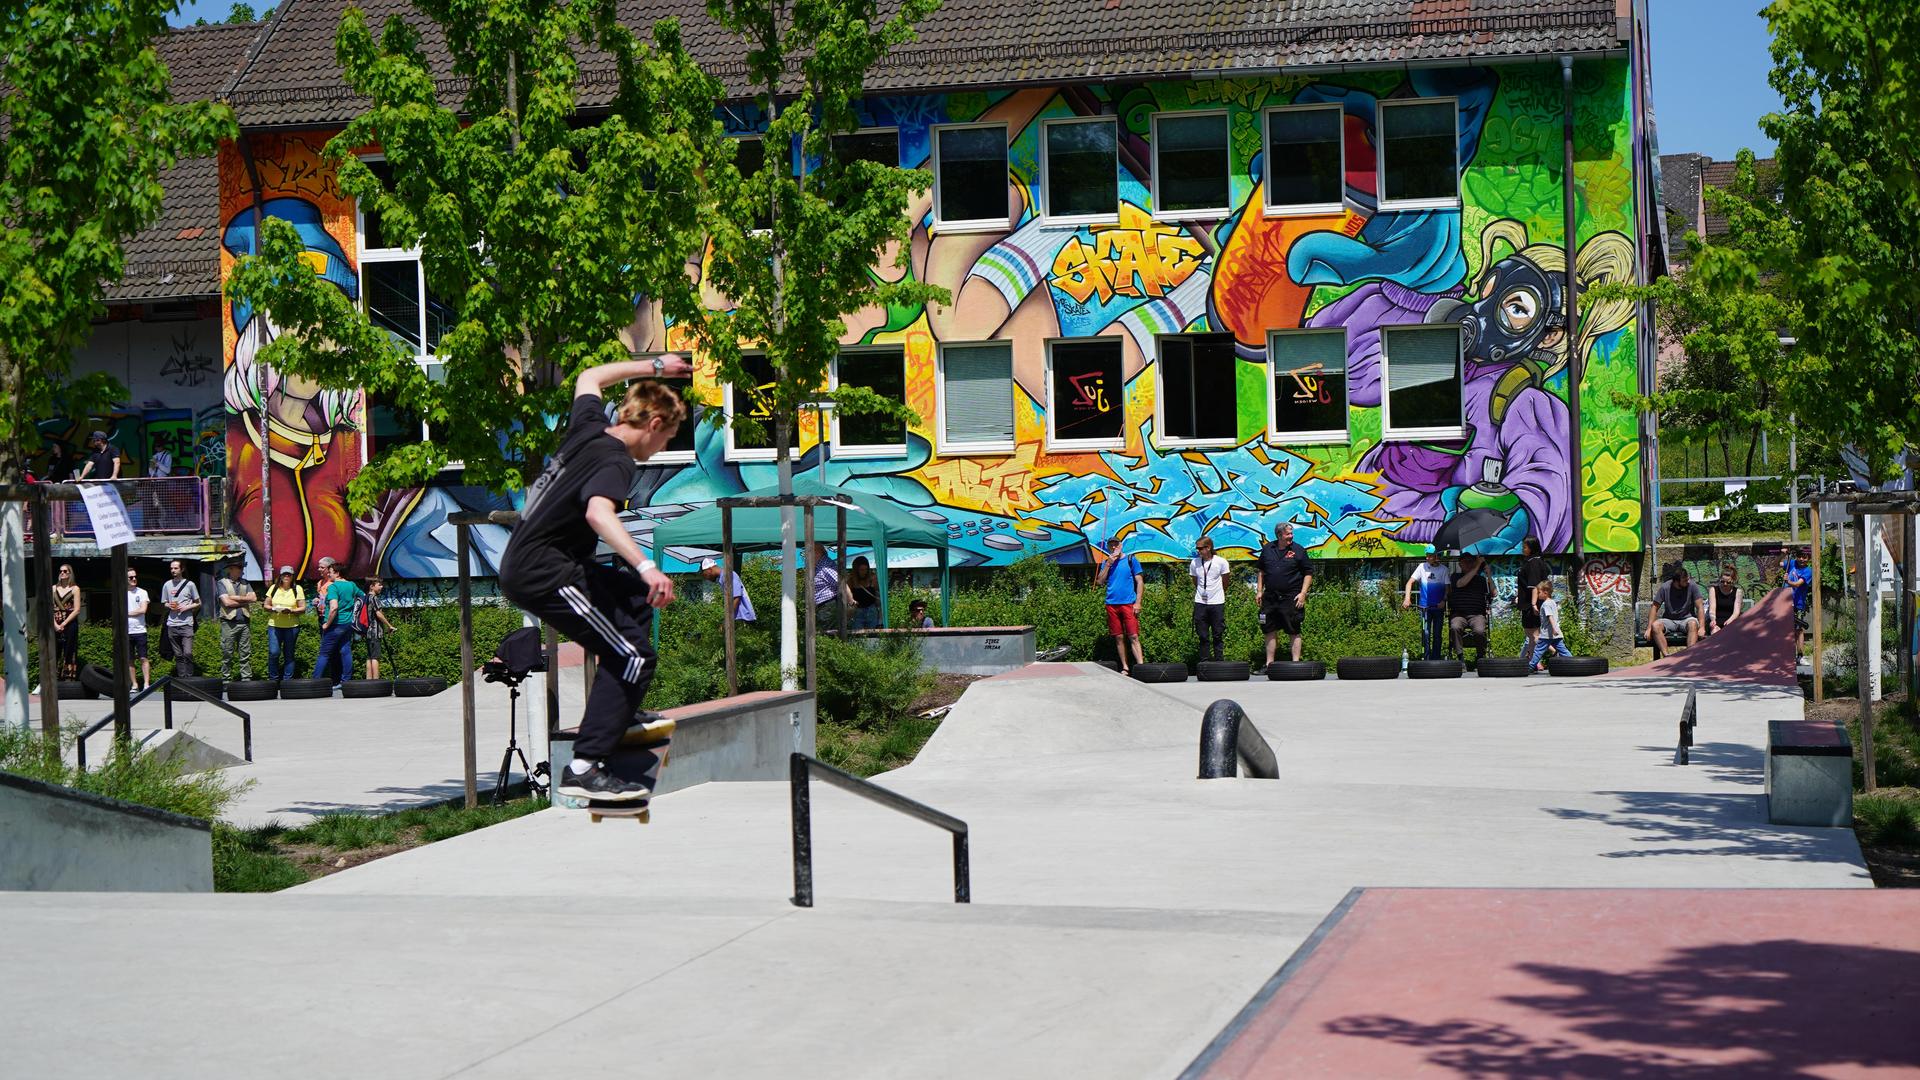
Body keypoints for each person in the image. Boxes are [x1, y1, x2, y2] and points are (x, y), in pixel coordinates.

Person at [497, 355, 691, 803]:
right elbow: (597, 513)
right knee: (633, 656)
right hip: (545, 573)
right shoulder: (616, 461)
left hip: (546, 564)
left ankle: (617, 709)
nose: (661, 450)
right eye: (666, 438)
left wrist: (656, 366)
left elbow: (590, 376)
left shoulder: (588, 426)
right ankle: (585, 766)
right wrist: (647, 566)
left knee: (636, 602)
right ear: (654, 422)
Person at [1254, 522, 1312, 664]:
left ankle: (1295, 664)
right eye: (1288, 534)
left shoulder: (1298, 550)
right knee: (1269, 629)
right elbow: (1261, 571)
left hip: (1291, 597)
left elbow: (1308, 573)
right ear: (1279, 535)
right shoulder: (1268, 549)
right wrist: (1259, 591)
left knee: (1293, 629)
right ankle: (1269, 664)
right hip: (1270, 597)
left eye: (1291, 533)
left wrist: (1303, 593)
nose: (1291, 536)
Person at [1094, 535, 1145, 675]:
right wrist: (1109, 564)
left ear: (1121, 545)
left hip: (1128, 603)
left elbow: (1140, 581)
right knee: (1118, 637)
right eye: (1111, 545)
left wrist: (1138, 602)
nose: (1114, 547)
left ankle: (1141, 666)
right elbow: (1099, 582)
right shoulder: (1107, 562)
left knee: (1133, 635)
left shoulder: (1130, 560)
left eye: (1116, 544)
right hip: (1112, 604)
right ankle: (1125, 667)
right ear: (1108, 547)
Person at [311, 559, 362, 687]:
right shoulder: (352, 585)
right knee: (345, 651)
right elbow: (363, 596)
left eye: (331, 572)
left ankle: (314, 681)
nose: (329, 574)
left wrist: (327, 624)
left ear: (338, 574)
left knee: (324, 653)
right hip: (347, 624)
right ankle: (345, 681)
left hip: (335, 624)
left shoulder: (333, 587)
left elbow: (333, 607)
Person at [1401, 546, 1451, 661]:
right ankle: (1426, 659)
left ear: (1436, 556)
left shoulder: (1444, 570)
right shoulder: (1421, 567)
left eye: (1430, 556)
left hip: (1438, 607)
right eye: (1427, 555)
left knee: (1437, 634)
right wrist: (1407, 598)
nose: (1428, 558)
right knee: (1426, 634)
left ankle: (1436, 659)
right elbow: (1409, 583)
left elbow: (1448, 589)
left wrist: (1444, 601)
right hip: (1424, 607)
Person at [1648, 565, 1705, 658]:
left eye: (1688, 579)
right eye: (1685, 581)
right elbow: (1654, 607)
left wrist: (1702, 627)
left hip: (1687, 619)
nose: (1688, 582)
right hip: (1669, 620)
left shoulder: (1692, 586)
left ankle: (1689, 657)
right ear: (1676, 581)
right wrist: (1649, 628)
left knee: (1693, 624)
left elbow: (1700, 607)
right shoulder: (1665, 587)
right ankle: (1666, 656)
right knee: (1655, 626)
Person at [1188, 536, 1230, 663]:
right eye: (1197, 549)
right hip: (1200, 602)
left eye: (1200, 548)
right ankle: (1204, 660)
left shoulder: (1221, 562)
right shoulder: (1195, 562)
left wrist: (1218, 593)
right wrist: (1202, 592)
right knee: (1202, 634)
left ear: (1208, 547)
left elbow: (1226, 581)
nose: (1198, 551)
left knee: (1218, 633)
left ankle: (1219, 660)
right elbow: (1195, 581)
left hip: (1217, 602)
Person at [215, 562, 256, 682]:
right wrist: (245, 601)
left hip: (244, 622)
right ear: (230, 569)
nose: (241, 570)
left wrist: (234, 598)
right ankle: (226, 680)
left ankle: (246, 678)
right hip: (228, 623)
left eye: (241, 567)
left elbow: (253, 598)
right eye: (239, 568)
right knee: (227, 653)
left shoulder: (245, 582)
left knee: (245, 653)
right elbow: (227, 603)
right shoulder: (221, 582)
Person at [1446, 553, 1491, 662]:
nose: (1469, 564)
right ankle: (1460, 657)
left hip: (1477, 615)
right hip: (1459, 614)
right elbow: (1461, 583)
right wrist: (1477, 565)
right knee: (1455, 627)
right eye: (1466, 562)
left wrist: (1489, 575)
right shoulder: (1455, 576)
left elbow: (1493, 593)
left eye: (1471, 561)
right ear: (1460, 564)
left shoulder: (1480, 579)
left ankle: (1480, 656)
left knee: (1480, 631)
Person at [159, 559, 200, 677]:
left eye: (175, 568)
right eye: (171, 568)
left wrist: (186, 607)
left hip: (186, 623)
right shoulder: (167, 585)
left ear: (182, 569)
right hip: (172, 624)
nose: (173, 570)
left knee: (187, 652)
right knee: (178, 654)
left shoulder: (190, 584)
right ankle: (182, 678)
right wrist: (169, 605)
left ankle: (190, 677)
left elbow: (198, 603)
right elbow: (164, 603)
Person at [263, 565, 305, 680]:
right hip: (274, 625)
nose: (286, 576)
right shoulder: (273, 588)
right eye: (284, 574)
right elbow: (266, 605)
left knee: (289, 654)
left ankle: (287, 681)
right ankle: (273, 679)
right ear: (280, 576)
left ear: (292, 576)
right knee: (274, 652)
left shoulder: (297, 589)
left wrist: (291, 610)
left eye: (289, 574)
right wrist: (272, 609)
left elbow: (302, 608)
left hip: (292, 626)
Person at [1528, 579, 1573, 673]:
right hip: (1556, 634)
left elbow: (1550, 617)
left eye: (1539, 592)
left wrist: (1553, 629)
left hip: (1547, 634)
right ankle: (1573, 663)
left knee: (1538, 650)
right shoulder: (1552, 602)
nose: (1538, 594)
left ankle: (1531, 666)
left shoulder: (1546, 604)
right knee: (1563, 650)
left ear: (1545, 592)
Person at [1516, 536, 1549, 660]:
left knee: (1534, 634)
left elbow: (1534, 586)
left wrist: (1534, 604)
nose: (1522, 549)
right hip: (1528, 603)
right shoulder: (1534, 561)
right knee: (1530, 634)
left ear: (1531, 548)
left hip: (1531, 605)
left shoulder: (1534, 562)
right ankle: (1532, 661)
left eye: (1524, 547)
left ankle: (1555, 651)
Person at [809, 541, 853, 629]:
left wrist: (851, 602)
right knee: (826, 635)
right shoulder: (819, 566)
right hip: (825, 608)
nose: (806, 556)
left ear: (817, 553)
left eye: (808, 552)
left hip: (828, 608)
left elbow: (841, 584)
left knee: (828, 635)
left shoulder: (825, 566)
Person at [700, 557, 756, 623]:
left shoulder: (728, 575)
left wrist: (727, 621)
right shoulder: (723, 577)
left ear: (709, 570)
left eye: (705, 575)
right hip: (737, 618)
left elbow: (736, 598)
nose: (706, 578)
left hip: (744, 619)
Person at [362, 576, 396, 679]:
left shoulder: (365, 597)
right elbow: (379, 614)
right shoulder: (374, 598)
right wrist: (389, 625)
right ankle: (376, 682)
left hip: (367, 632)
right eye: (379, 585)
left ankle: (369, 682)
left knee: (369, 657)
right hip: (375, 632)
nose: (382, 587)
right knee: (376, 658)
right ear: (372, 586)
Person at [51, 564, 81, 680]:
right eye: (60, 571)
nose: (62, 573)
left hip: (70, 624)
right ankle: (52, 678)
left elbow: (77, 609)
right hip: (55, 624)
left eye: (65, 571)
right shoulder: (53, 588)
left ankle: (68, 679)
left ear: (69, 573)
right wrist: (55, 625)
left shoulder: (75, 589)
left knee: (69, 650)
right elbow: (49, 608)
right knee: (54, 651)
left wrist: (64, 624)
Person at [126, 567, 151, 691]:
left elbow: (143, 610)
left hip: (140, 630)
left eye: (135, 576)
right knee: (130, 660)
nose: (134, 579)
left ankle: (146, 683)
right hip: (127, 631)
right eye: (131, 577)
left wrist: (128, 613)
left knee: (143, 657)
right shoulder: (122, 593)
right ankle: (134, 684)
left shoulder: (142, 592)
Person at [847, 556, 882, 631]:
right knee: (856, 635)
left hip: (871, 610)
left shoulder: (872, 578)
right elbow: (847, 595)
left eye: (866, 569)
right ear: (856, 570)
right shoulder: (851, 580)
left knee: (872, 635)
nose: (864, 572)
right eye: (861, 570)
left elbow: (879, 593)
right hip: (857, 611)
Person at [1706, 564, 1743, 636]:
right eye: (1722, 581)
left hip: (1731, 621)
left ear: (1733, 581)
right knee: (1715, 633)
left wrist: (1729, 621)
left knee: (1731, 634)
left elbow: (1736, 612)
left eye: (1728, 582)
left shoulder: (1738, 592)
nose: (1725, 584)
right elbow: (1712, 609)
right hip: (1717, 621)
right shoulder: (1713, 590)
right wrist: (1713, 619)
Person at [1784, 551, 1812, 630]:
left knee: (1798, 630)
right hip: (1786, 602)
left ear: (1809, 559)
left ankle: (1799, 643)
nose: (1801, 559)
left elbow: (1797, 584)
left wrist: (1788, 581)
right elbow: (1775, 564)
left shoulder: (1808, 571)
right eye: (1799, 557)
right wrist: (1782, 554)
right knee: (1786, 628)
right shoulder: (1792, 563)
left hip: (1798, 604)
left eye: (1804, 557)